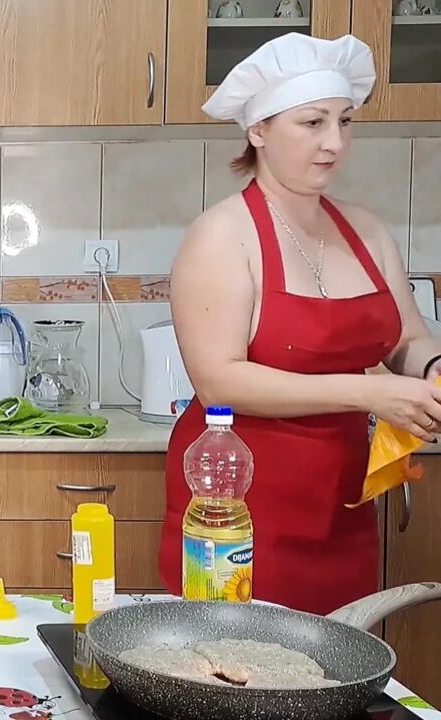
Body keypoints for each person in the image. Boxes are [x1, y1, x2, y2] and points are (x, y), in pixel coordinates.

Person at [160, 33, 441, 615]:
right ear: (258, 130)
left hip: (344, 506)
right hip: (237, 505)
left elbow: (406, 338)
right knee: (236, 677)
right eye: (312, 123)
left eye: (344, 121)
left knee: (339, 672)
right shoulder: (222, 235)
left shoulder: (366, 230)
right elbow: (220, 381)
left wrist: (433, 370)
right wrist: (371, 392)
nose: (334, 143)